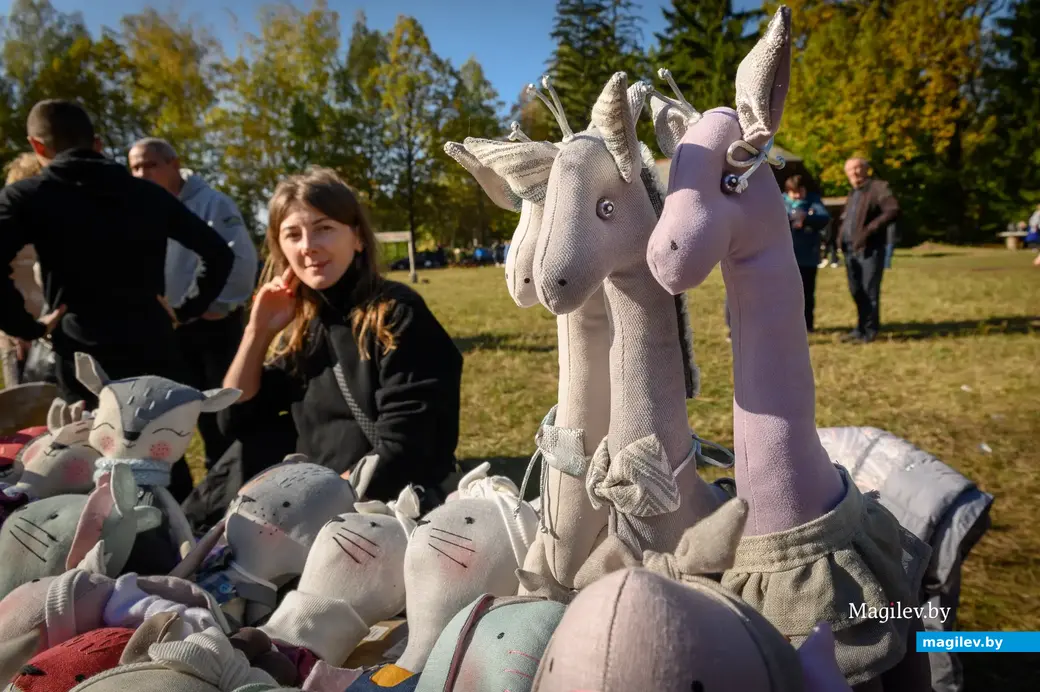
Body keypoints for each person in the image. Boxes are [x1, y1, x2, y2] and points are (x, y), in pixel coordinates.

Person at [0, 99, 234, 501]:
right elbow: (219, 252)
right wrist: (184, 310)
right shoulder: (147, 194)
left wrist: (29, 326)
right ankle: (178, 547)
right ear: (98, 143)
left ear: (37, 147)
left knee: (89, 455)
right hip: (153, 345)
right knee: (163, 456)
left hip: (83, 352)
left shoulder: (28, 196)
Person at [220, 167, 463, 509]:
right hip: (317, 507)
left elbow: (407, 447)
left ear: (358, 237)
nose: (308, 247)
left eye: (324, 229)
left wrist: (310, 505)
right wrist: (257, 332)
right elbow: (234, 419)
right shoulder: (303, 325)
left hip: (381, 512)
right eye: (293, 235)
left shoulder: (397, 314)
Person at [129, 138, 258, 470]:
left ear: (174, 163)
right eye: (135, 167)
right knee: (180, 411)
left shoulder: (212, 203)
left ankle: (236, 477)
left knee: (223, 412)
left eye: (150, 165)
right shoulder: (138, 208)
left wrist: (220, 305)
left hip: (212, 324)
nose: (142, 174)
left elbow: (240, 259)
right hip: (170, 327)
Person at [837, 157, 899, 343]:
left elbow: (893, 209)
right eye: (849, 170)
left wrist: (870, 230)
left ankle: (870, 331)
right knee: (856, 290)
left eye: (857, 168)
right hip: (850, 250)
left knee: (869, 290)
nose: (853, 173)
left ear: (866, 169)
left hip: (869, 249)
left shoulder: (878, 188)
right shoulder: (853, 193)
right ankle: (860, 328)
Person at [0, 153, 45, 388]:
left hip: (50, 333)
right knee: (24, 415)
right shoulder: (9, 226)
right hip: (19, 336)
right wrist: (14, 330)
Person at [783, 175, 830, 332]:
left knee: (807, 293)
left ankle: (807, 325)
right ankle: (786, 324)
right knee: (784, 293)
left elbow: (824, 218)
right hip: (785, 256)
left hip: (808, 256)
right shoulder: (780, 202)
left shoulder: (814, 201)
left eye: (800, 192)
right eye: (793, 193)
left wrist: (807, 219)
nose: (797, 196)